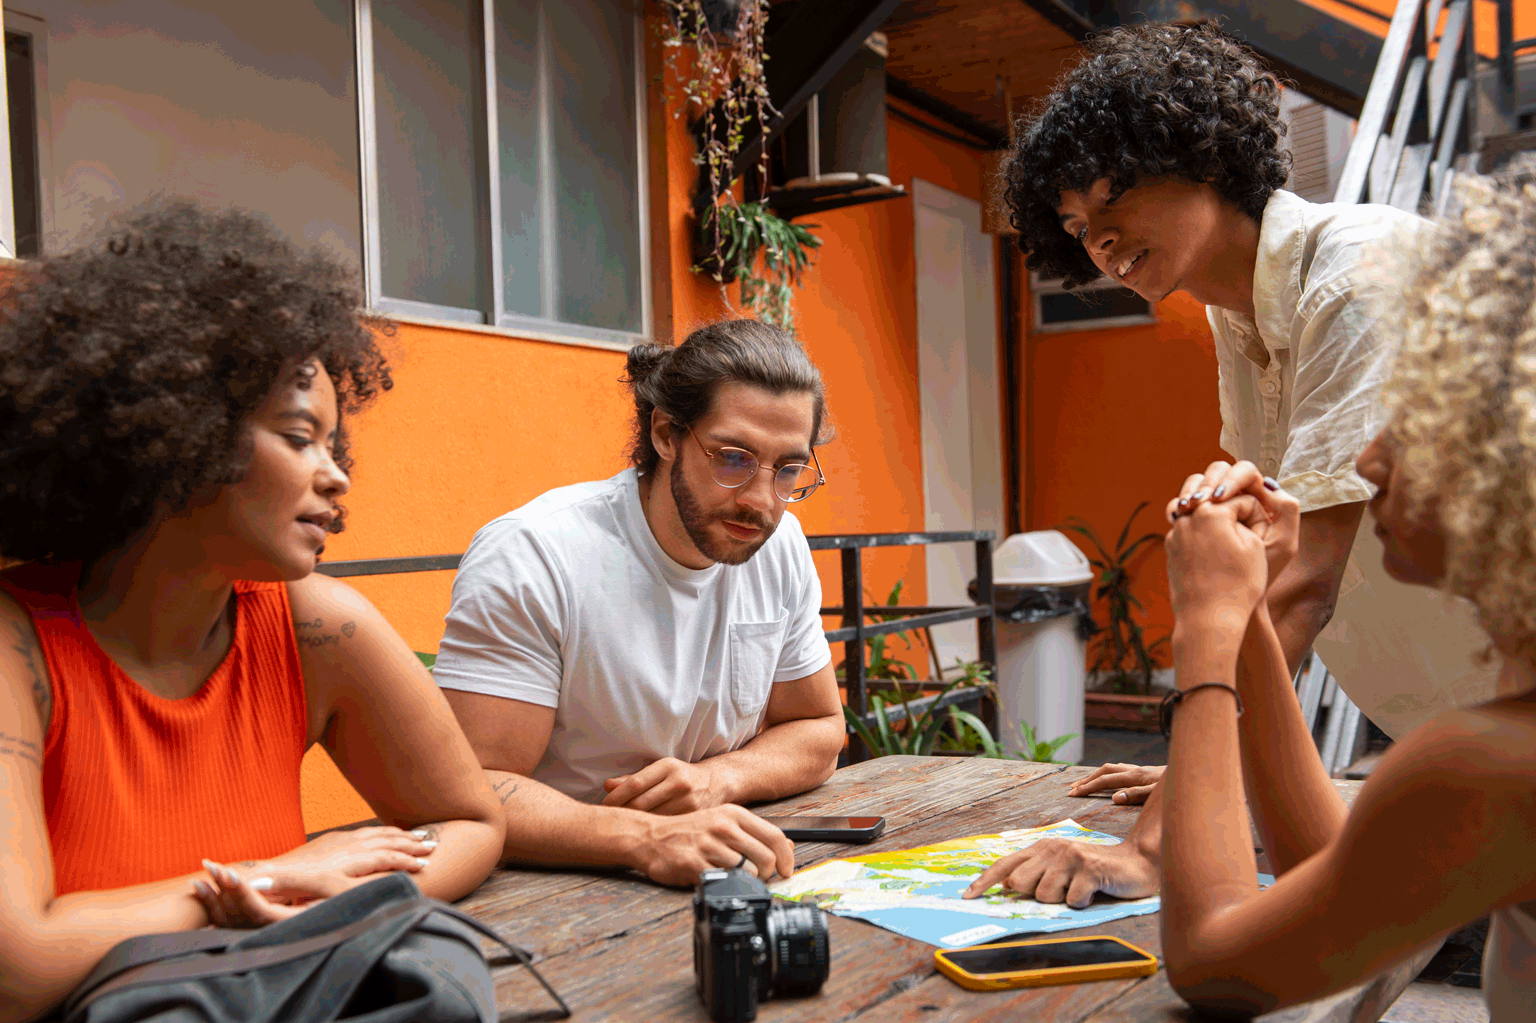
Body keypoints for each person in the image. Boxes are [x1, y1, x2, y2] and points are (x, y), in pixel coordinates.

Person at [975, 20, 1498, 907]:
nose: (1098, 240)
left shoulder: (1355, 276)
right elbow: (1272, 566)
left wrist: (1159, 840)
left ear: (1203, 155)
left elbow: (1297, 581)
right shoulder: (1240, 318)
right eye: (1074, 227)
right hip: (1475, 743)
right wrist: (1207, 774)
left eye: (1114, 200)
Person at [0, 201, 504, 1022]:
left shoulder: (317, 629)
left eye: (332, 445)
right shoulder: (17, 646)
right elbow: (15, 966)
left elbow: (472, 819)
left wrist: (327, 894)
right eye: (298, 435)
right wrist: (268, 875)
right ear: (176, 429)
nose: (336, 474)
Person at [1112, 172, 1536, 1019]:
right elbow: (1335, 878)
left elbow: (1215, 959)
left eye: (1406, 420)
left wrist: (1206, 631)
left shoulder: (1495, 761)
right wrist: (1252, 634)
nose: (1366, 461)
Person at [436, 320, 844, 886]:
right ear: (666, 435)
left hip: (720, 863)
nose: (760, 501)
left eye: (789, 469)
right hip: (549, 890)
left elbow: (820, 729)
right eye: (733, 457)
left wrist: (718, 779)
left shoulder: (780, 547)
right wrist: (648, 837)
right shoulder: (537, 553)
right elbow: (472, 787)